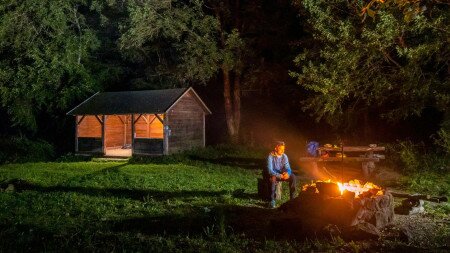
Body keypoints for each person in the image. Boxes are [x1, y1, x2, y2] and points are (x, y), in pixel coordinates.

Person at [266, 141, 297, 208]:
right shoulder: (270, 156)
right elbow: (270, 170)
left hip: (282, 174)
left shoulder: (284, 156)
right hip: (274, 174)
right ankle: (272, 200)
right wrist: (279, 175)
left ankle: (292, 199)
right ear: (276, 148)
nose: (283, 151)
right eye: (281, 149)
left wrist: (288, 173)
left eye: (284, 149)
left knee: (293, 177)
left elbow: (288, 168)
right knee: (273, 178)